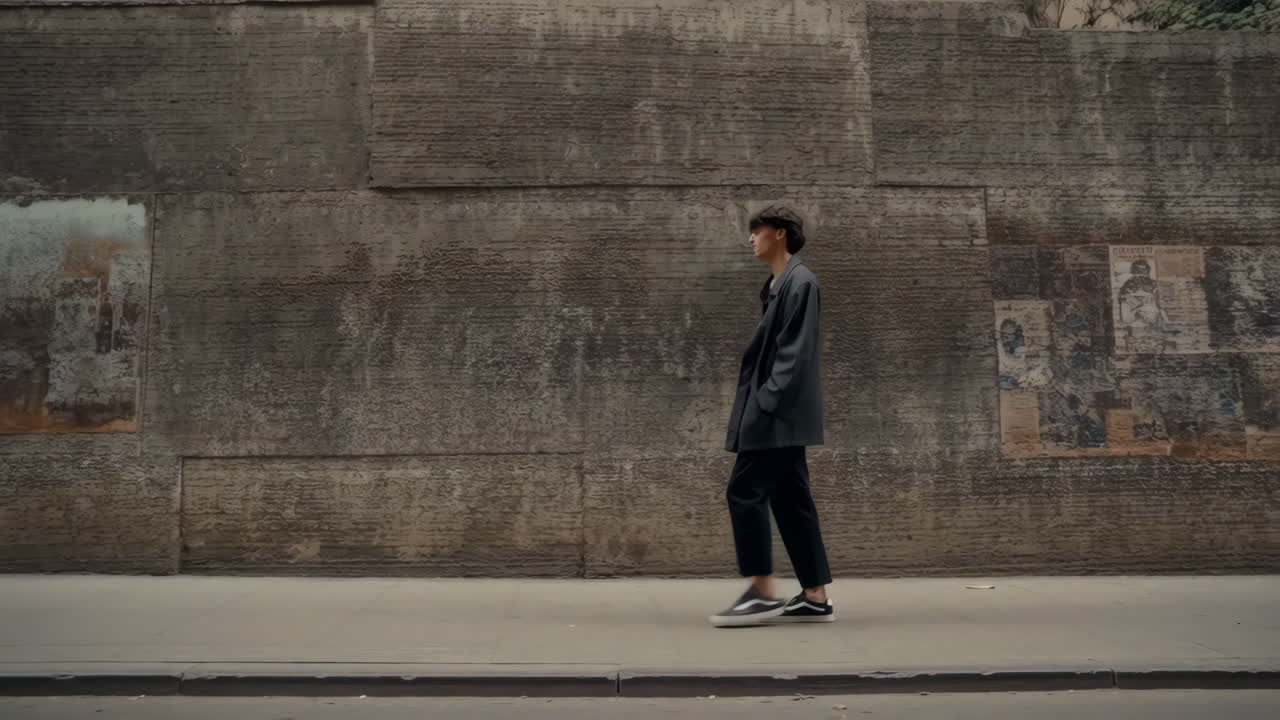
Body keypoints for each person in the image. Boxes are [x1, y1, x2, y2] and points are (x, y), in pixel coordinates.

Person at [709, 205, 834, 628]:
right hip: (780, 413)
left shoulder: (801, 282)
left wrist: (763, 403)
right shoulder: (779, 284)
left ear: (780, 233)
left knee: (743, 492)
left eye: (756, 230)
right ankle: (814, 596)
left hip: (776, 414)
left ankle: (762, 591)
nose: (750, 237)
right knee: (790, 500)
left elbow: (794, 355)